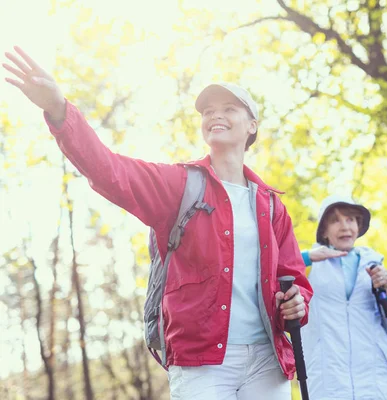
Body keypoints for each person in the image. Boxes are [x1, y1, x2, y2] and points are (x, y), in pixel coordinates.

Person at [3, 46, 312, 400]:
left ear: (252, 126)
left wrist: (297, 301)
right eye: (208, 111)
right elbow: (109, 170)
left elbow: (295, 279)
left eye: (229, 109)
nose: (216, 115)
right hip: (202, 362)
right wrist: (59, 110)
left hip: (267, 361)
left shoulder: (271, 206)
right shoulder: (179, 185)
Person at [299, 195, 387, 400]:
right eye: (335, 221)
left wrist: (386, 290)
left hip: (374, 383)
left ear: (359, 227)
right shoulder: (309, 267)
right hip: (328, 382)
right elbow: (276, 266)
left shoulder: (373, 266)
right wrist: (308, 256)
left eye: (350, 219)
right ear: (324, 231)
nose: (344, 227)